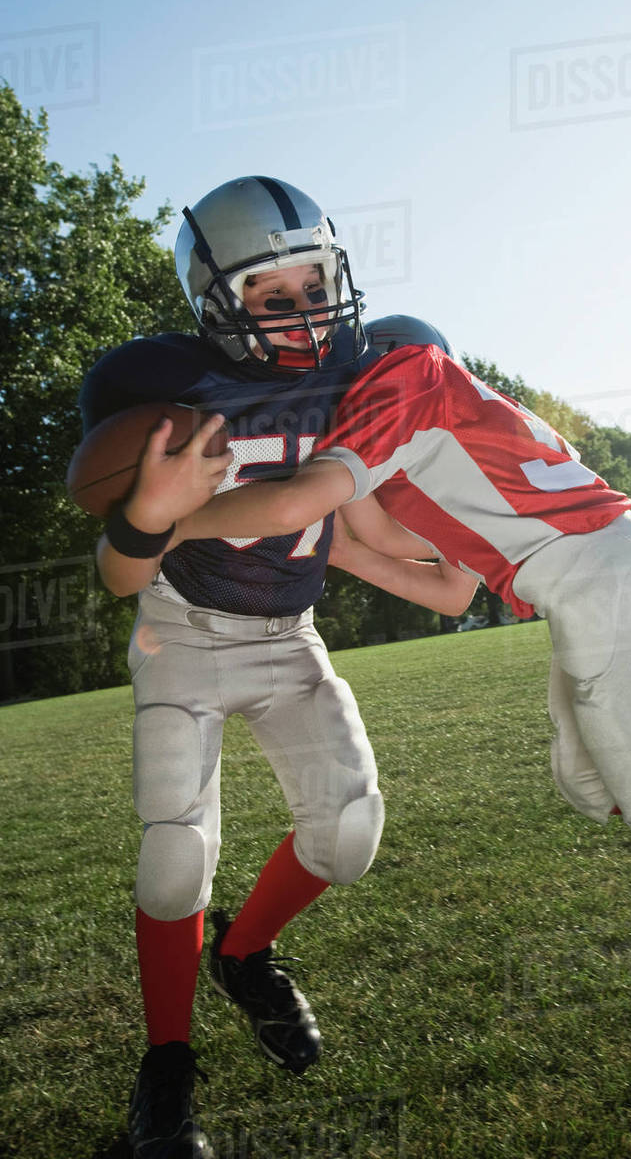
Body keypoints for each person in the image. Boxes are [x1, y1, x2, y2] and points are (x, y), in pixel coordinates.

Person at [171, 333, 631, 1061]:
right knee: (587, 781)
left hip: (606, 593)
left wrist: (164, 521)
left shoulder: (400, 379)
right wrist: (335, 541)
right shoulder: (461, 436)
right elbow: (446, 584)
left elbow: (304, 496)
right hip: (612, 576)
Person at [79, 176, 477, 1159]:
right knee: (176, 853)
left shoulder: (365, 370)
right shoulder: (166, 391)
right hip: (184, 635)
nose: (307, 313)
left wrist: (449, 560)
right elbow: (119, 571)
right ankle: (166, 1068)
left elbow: (343, 520)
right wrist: (150, 508)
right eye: (273, 294)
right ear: (217, 304)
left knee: (349, 834)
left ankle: (245, 954)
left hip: (290, 634)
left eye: (317, 283)